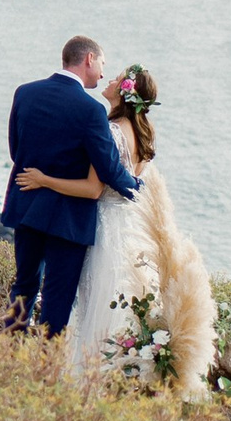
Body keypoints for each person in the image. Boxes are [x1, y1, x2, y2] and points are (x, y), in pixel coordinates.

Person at [13, 61, 219, 397]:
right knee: (125, 299)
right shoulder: (144, 132)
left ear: (126, 93)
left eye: (117, 79)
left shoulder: (109, 130)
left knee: (97, 301)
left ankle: (86, 380)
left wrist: (43, 180)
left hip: (105, 226)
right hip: (131, 227)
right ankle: (122, 375)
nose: (109, 80)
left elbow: (93, 189)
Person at [0, 36, 140, 339]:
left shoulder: (25, 93)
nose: (103, 73)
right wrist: (138, 189)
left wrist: (42, 178)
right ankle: (45, 366)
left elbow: (16, 151)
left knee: (23, 285)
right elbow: (109, 168)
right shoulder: (90, 110)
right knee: (57, 297)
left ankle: (6, 354)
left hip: (27, 205)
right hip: (69, 217)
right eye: (102, 64)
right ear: (88, 59)